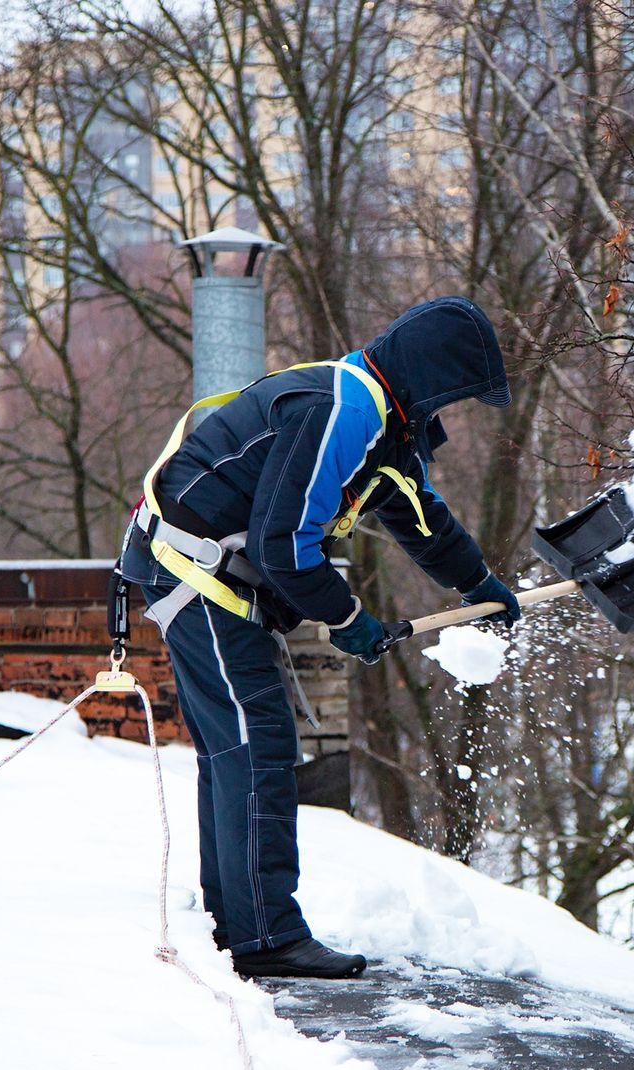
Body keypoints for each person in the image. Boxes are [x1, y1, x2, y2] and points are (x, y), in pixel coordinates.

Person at [117, 295, 521, 979]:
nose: (446, 416)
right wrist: (346, 618)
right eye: (452, 398)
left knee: (238, 746)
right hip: (194, 572)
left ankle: (236, 918)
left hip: (201, 572)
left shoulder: (379, 421)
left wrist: (478, 584)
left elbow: (422, 517)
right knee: (255, 742)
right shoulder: (348, 409)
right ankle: (265, 936)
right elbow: (284, 544)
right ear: (429, 376)